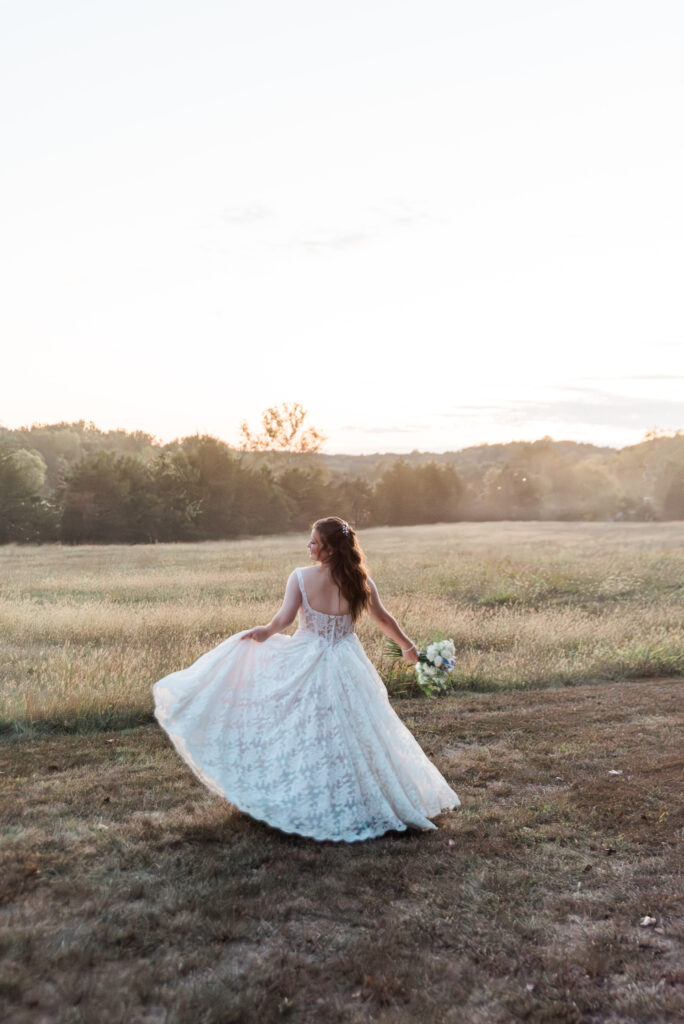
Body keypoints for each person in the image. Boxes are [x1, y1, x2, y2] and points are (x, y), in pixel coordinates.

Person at [152, 515, 460, 842]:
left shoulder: (300, 577)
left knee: (297, 727)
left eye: (313, 541)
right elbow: (383, 618)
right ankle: (353, 796)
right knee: (351, 728)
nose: (308, 546)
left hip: (307, 658)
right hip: (346, 660)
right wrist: (408, 647)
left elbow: (283, 620)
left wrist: (264, 633)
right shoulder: (361, 581)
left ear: (327, 549)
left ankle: (305, 796)